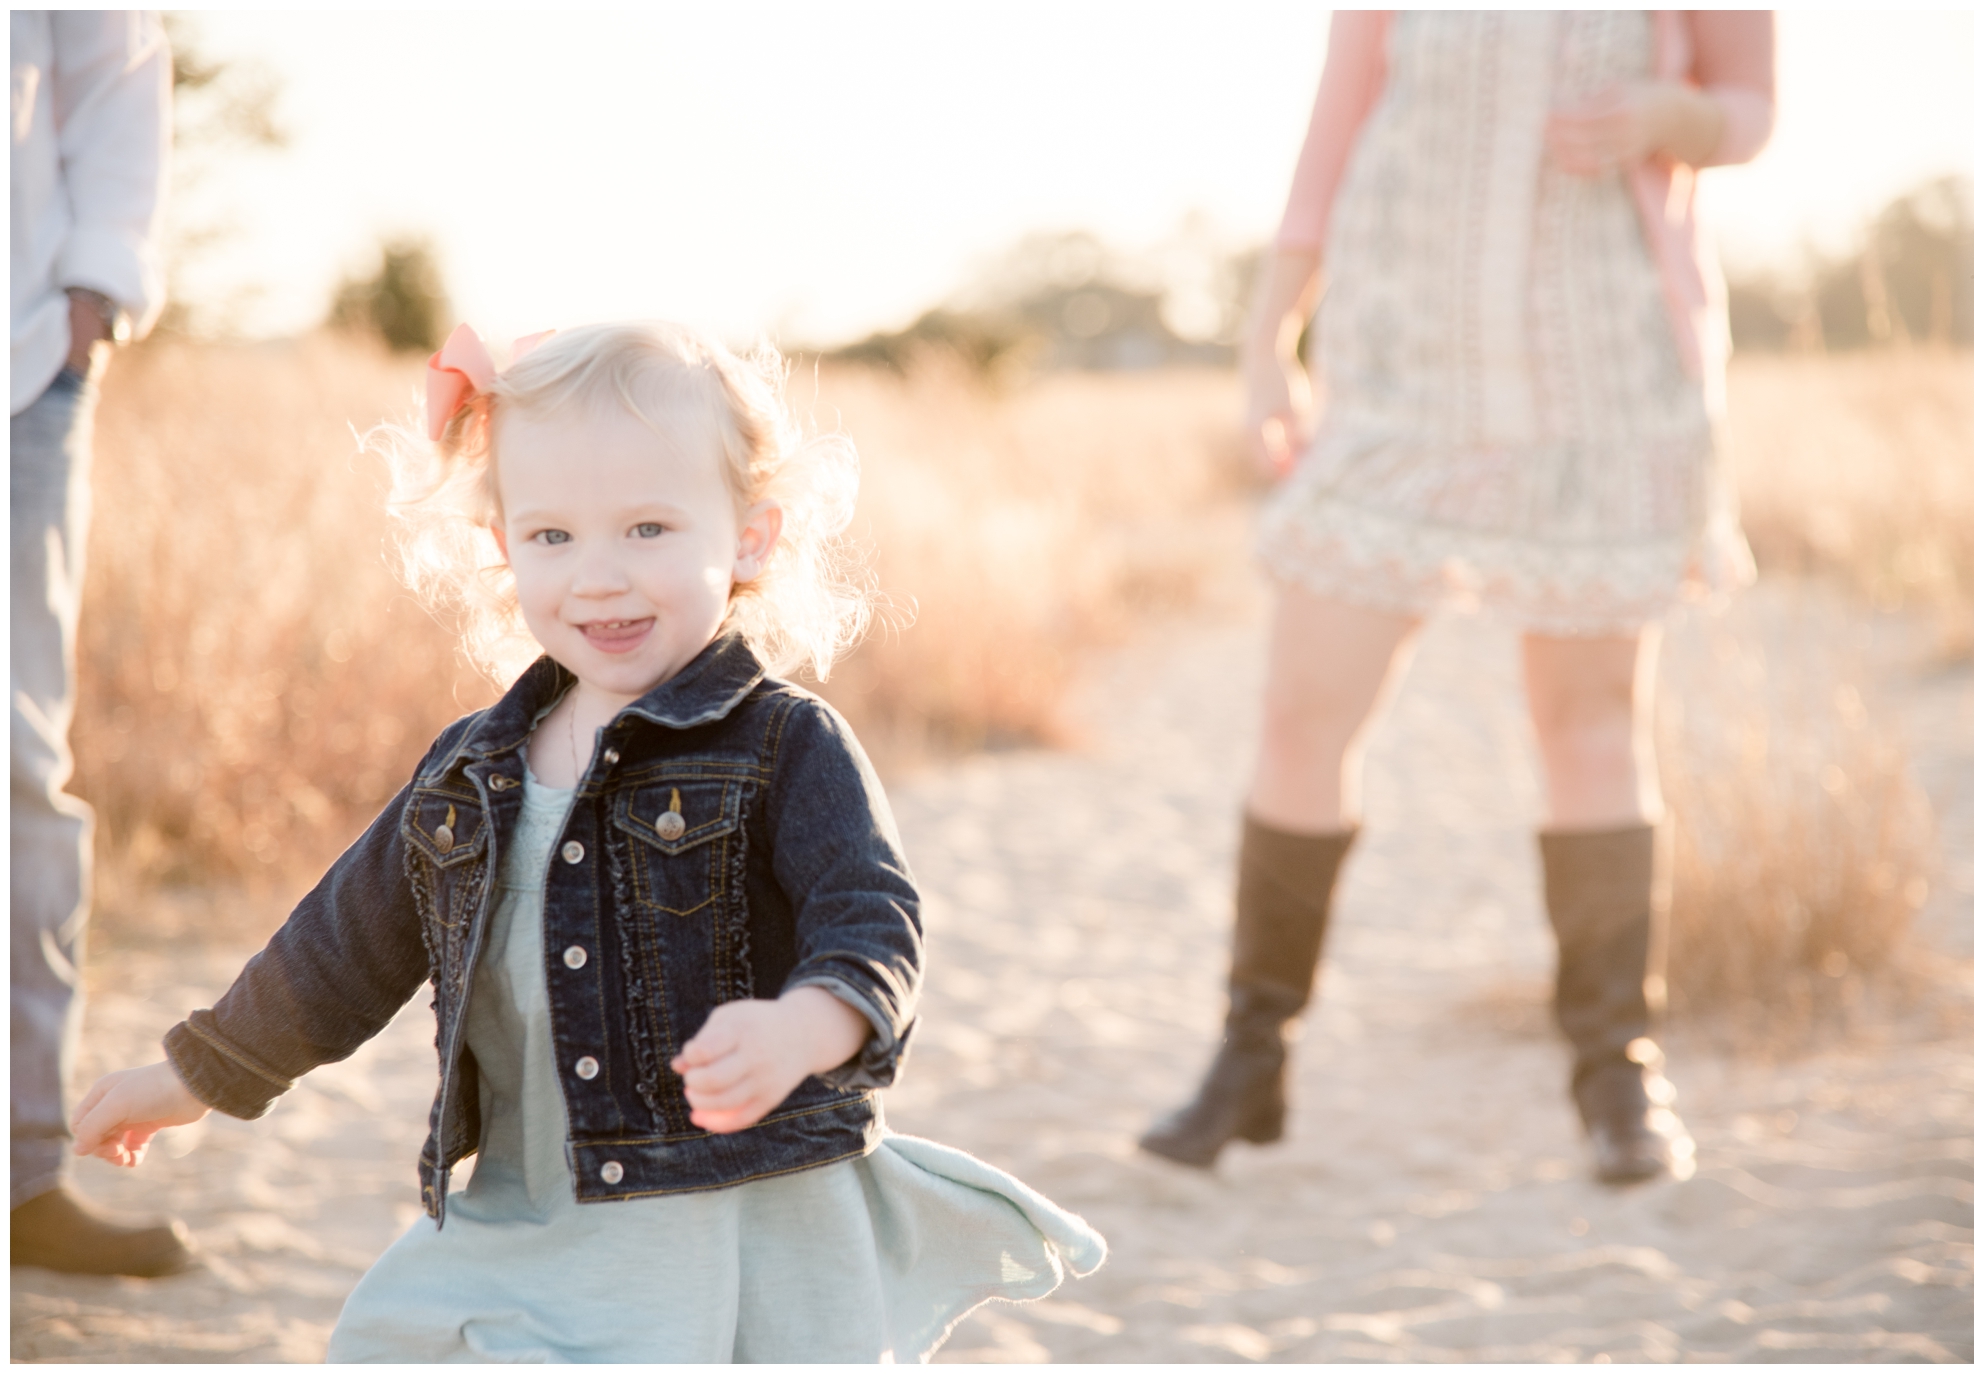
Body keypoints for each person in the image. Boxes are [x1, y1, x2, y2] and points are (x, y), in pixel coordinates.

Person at [70, 321, 1105, 1361]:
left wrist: (807, 1026)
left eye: (649, 529)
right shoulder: (468, 772)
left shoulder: (784, 743)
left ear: (748, 535)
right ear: (501, 545)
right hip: (529, 1211)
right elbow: (342, 949)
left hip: (724, 1215)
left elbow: (870, 917)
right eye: (552, 537)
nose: (598, 578)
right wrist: (200, 1074)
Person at [1139, 12, 1774, 1184]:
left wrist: (1668, 119)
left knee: (1584, 726)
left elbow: (1748, 107)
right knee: (1299, 714)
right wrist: (1269, 330)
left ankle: (1612, 1069)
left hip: (1600, 366)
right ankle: (1249, 1055)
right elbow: (1334, 125)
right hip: (1397, 370)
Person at [11, 10, 185, 1276]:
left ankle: (20, 1173)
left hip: (17, 363)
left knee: (14, 766)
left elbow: (116, 51)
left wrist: (94, 289)